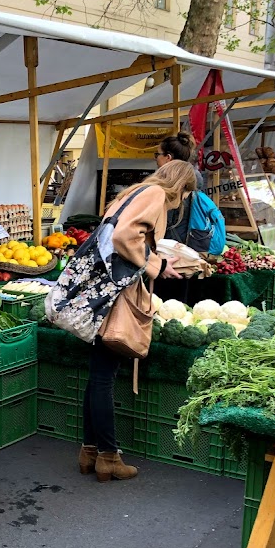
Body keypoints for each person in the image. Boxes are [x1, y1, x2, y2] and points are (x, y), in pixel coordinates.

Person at [79, 160, 195, 483]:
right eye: (185, 194)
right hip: (117, 293)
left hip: (100, 289)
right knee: (104, 375)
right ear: (181, 187)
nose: (182, 202)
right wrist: (153, 265)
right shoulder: (156, 195)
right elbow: (124, 236)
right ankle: (108, 456)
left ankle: (90, 451)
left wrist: (156, 263)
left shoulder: (136, 191)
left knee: (96, 374)